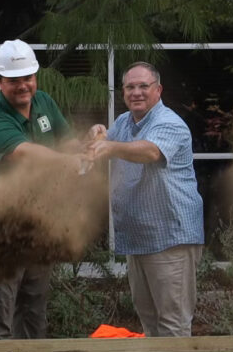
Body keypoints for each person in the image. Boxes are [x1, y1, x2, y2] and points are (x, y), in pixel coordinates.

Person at [0, 38, 74, 340]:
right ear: (0, 82)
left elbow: (68, 142)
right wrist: (69, 161)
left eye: (28, 77)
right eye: (14, 80)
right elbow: (24, 153)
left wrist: (91, 142)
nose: (23, 85)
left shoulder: (44, 103)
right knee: (0, 313)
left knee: (34, 307)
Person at [87, 62, 203, 337]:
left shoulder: (169, 123)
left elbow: (150, 152)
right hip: (139, 239)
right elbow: (102, 146)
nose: (136, 92)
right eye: (130, 87)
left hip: (169, 239)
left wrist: (109, 145)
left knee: (173, 325)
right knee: (149, 322)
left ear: (158, 90)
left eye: (143, 86)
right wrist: (96, 134)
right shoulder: (124, 123)